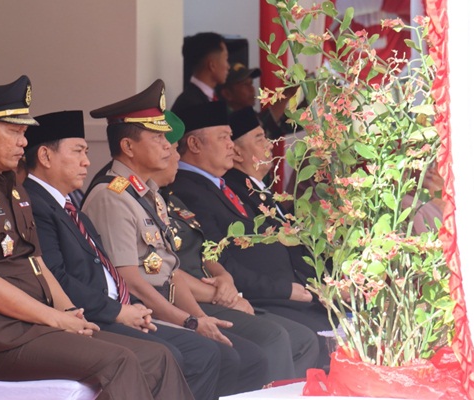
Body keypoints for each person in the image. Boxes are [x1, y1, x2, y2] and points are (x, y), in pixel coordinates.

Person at [0, 75, 190, 400]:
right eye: (14, 131)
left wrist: (70, 313)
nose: (23, 142)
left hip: (40, 327)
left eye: (24, 133)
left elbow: (35, 262)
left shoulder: (10, 187)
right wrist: (56, 318)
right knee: (120, 360)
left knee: (158, 357)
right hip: (3, 339)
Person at [83, 79, 270, 397]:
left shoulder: (148, 192)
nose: (170, 146)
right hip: (140, 310)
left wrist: (198, 317)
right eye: (158, 138)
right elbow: (132, 281)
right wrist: (189, 321)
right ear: (128, 147)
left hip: (164, 304)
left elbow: (169, 272)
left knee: (248, 357)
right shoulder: (111, 195)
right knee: (216, 355)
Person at [23, 110, 215, 399]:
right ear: (46, 157)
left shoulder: (66, 207)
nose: (87, 161)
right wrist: (119, 311)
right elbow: (58, 279)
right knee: (171, 354)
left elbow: (107, 270)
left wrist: (133, 308)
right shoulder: (35, 204)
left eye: (86, 152)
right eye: (77, 152)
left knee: (203, 350)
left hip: (115, 310)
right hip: (86, 317)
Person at [150, 111, 320, 380]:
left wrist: (224, 278)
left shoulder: (214, 186)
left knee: (315, 333)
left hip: (231, 292)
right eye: (224, 137)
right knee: (285, 338)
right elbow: (163, 269)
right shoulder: (184, 189)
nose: (231, 145)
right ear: (194, 145)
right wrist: (224, 293)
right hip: (210, 297)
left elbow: (208, 252)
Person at [223, 107, 320, 287]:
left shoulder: (257, 188)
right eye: (260, 139)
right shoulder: (236, 191)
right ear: (236, 152)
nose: (270, 144)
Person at [216, 63, 298, 139]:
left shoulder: (248, 114)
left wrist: (308, 100)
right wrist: (287, 93)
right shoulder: (223, 121)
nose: (252, 89)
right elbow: (262, 127)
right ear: (227, 94)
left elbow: (282, 126)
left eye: (251, 83)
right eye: (245, 84)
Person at [171, 32, 230, 113]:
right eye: (226, 59)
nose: (228, 66)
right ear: (212, 65)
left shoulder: (214, 98)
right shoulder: (190, 104)